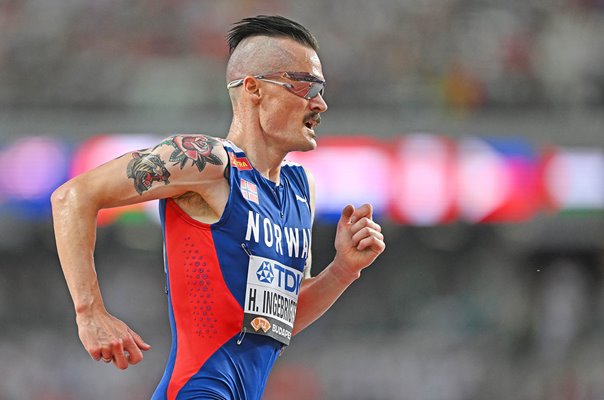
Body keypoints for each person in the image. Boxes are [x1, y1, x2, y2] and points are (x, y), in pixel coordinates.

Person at [51, 15, 385, 400]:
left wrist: (343, 269)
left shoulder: (300, 189)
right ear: (254, 88)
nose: (320, 103)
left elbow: (276, 323)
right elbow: (73, 196)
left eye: (321, 88)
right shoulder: (206, 162)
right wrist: (89, 312)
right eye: (306, 85)